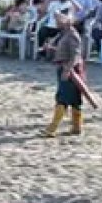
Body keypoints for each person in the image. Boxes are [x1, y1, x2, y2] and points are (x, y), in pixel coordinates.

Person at [41, 8, 86, 137]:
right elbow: (64, 50)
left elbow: (76, 55)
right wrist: (51, 48)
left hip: (71, 70)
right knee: (74, 99)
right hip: (65, 67)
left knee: (63, 97)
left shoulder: (72, 35)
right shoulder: (63, 34)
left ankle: (52, 128)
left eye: (59, 18)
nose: (56, 21)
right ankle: (76, 127)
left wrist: (67, 70)